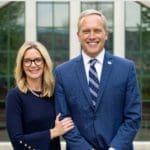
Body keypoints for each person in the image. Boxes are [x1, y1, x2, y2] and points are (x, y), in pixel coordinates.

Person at [54, 9, 142, 150]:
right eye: (86, 31)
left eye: (97, 30)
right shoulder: (63, 72)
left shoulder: (126, 69)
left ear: (106, 34)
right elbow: (64, 119)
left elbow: (133, 116)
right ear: (78, 35)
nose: (92, 36)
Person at [6, 41, 74, 150]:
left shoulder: (54, 92)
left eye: (37, 60)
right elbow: (17, 141)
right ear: (22, 65)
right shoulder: (15, 96)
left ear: (44, 62)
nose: (33, 65)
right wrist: (53, 132)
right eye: (27, 61)